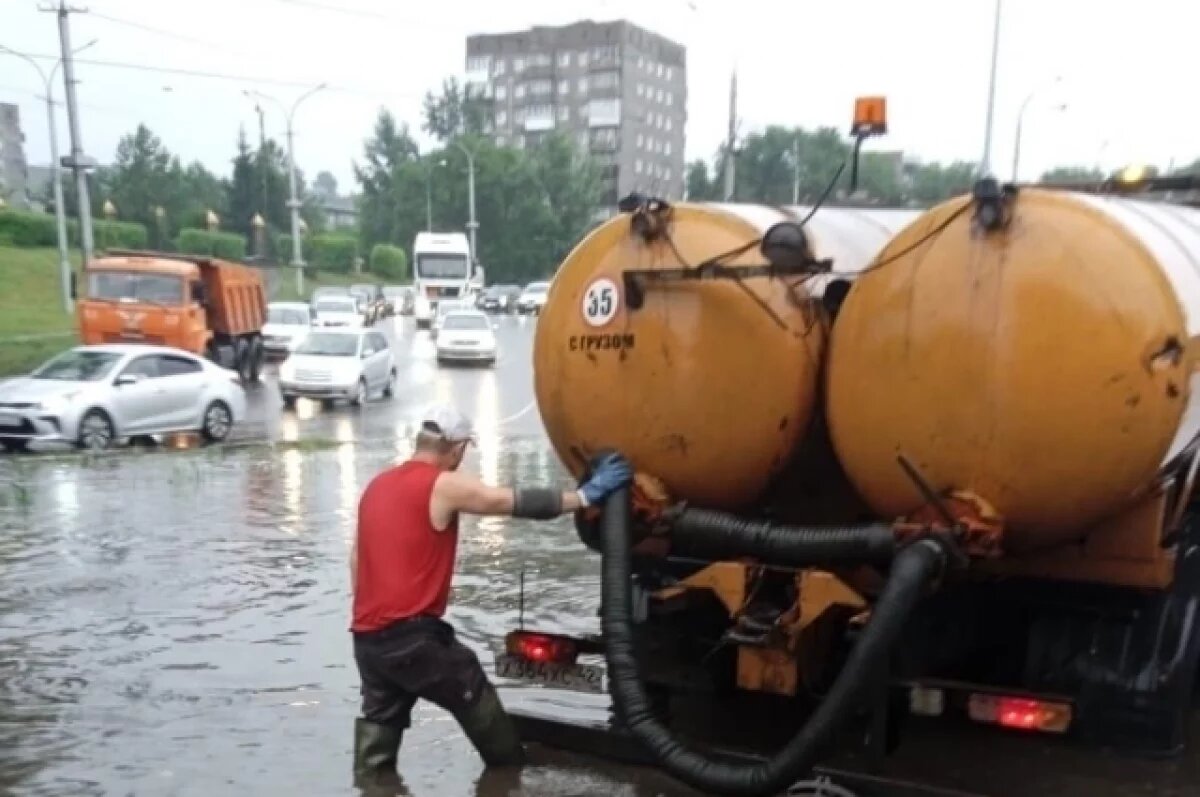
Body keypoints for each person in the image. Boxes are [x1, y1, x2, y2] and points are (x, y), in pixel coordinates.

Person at [350, 404, 632, 780]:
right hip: (414, 640)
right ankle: (510, 778)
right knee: (470, 687)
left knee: (378, 741)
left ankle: (370, 786)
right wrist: (583, 497)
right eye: (463, 450)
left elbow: (355, 559)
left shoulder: (377, 485)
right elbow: (506, 502)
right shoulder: (442, 483)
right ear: (456, 448)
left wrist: (378, 621)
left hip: (368, 641)